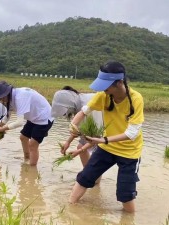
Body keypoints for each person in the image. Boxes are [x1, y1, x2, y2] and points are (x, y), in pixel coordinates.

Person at [63, 61, 144, 213]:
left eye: (106, 86)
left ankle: (129, 220)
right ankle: (69, 210)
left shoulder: (136, 99)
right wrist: (73, 124)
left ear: (119, 82)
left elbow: (131, 134)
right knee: (84, 178)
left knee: (125, 195)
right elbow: (83, 111)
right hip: (106, 148)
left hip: (129, 152)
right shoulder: (103, 96)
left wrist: (103, 140)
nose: (103, 90)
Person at [0, 81, 54, 166]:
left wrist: (2, 129)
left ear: (6, 93)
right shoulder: (10, 98)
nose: (1, 101)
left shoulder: (20, 97)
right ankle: (26, 159)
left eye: (1, 98)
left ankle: (32, 169)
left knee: (33, 144)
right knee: (23, 137)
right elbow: (7, 116)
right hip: (33, 118)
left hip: (44, 118)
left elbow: (20, 122)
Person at [51, 86, 103, 170]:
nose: (65, 115)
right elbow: (78, 127)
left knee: (96, 154)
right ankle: (88, 174)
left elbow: (97, 137)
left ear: (69, 105)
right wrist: (68, 142)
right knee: (81, 146)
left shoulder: (88, 106)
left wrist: (80, 151)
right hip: (97, 131)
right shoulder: (78, 102)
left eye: (65, 111)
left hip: (110, 132)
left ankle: (94, 179)